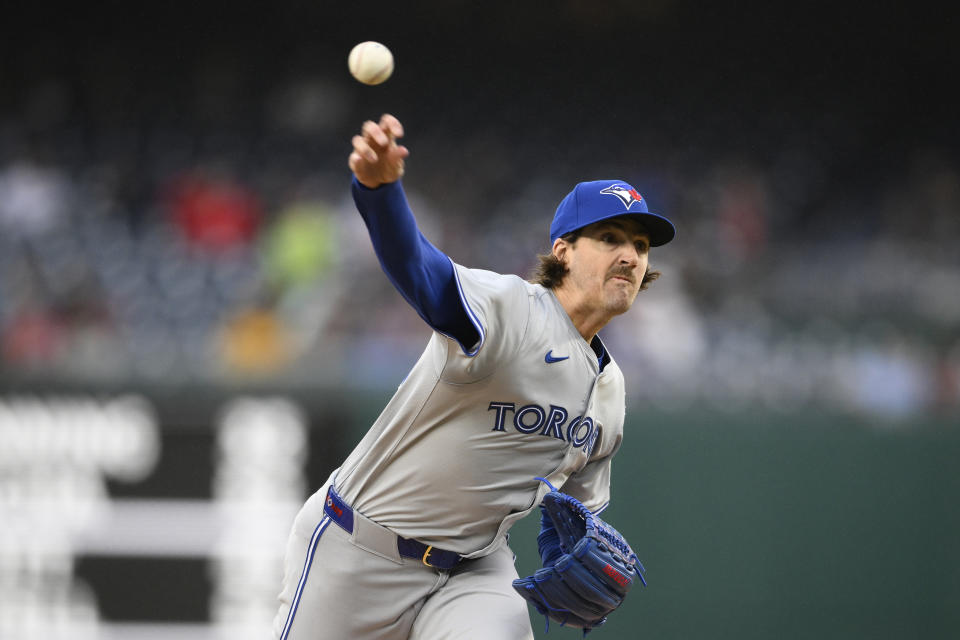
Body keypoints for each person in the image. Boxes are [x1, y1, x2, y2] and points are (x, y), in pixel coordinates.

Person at [272, 114, 676, 640]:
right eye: (610, 237)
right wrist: (378, 192)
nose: (630, 255)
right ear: (563, 251)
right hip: (359, 551)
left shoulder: (611, 390)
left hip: (474, 572)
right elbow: (419, 270)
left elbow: (581, 508)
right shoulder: (509, 311)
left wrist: (578, 538)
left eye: (642, 247)